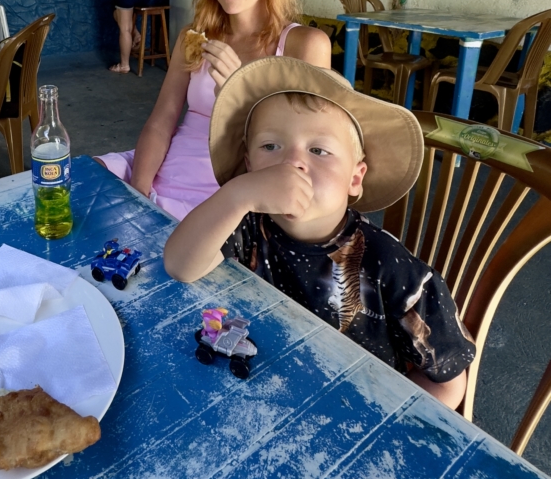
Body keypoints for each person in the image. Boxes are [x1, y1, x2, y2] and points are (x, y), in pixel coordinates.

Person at [164, 57, 475, 409]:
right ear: (249, 166)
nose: (291, 162)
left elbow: (447, 379)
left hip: (354, 412)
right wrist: (237, 195)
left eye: (318, 150)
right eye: (270, 146)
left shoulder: (391, 269)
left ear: (355, 178)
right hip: (257, 395)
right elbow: (180, 265)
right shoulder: (244, 224)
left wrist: (395, 424)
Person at [95, 0, 331, 220]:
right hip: (167, 163)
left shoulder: (304, 45)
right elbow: (162, 120)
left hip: (235, 183)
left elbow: (308, 149)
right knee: (82, 181)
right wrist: (140, 191)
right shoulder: (195, 37)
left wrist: (238, 92)